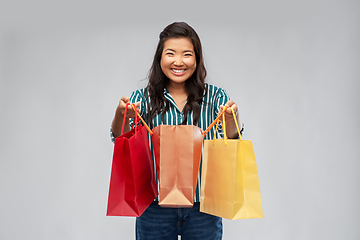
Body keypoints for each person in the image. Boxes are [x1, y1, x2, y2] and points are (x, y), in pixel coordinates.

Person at [110, 22, 244, 240]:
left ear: (197, 59)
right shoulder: (142, 98)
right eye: (170, 53)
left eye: (187, 54)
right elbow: (120, 139)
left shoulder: (215, 97)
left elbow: (232, 139)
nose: (179, 62)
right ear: (160, 58)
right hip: (154, 205)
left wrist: (232, 118)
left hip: (204, 205)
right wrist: (120, 114)